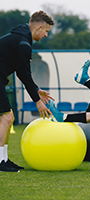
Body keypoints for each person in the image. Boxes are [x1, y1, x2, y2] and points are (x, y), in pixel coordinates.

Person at [0, 11, 55, 172]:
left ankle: (3, 159)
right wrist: (37, 101)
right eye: (46, 31)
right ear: (39, 27)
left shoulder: (20, 40)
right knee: (7, 117)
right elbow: (24, 73)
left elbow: (20, 71)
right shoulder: (23, 43)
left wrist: (36, 90)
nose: (45, 35)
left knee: (8, 118)